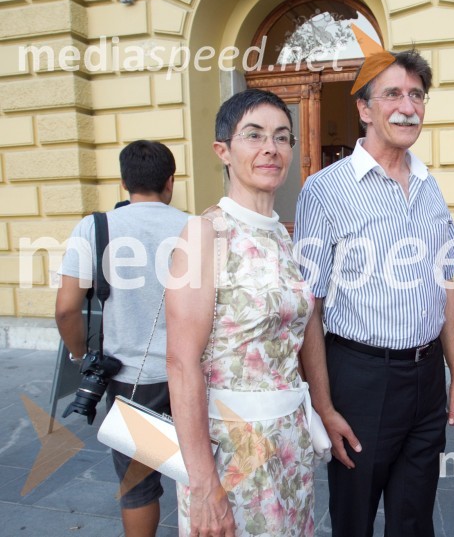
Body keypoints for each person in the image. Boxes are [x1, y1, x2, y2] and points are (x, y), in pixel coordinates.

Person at [293, 49, 454, 537]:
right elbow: (310, 305)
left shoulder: (429, 185)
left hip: (427, 380)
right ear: (365, 109)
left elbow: (445, 284)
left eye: (416, 95)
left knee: (415, 520)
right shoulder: (324, 190)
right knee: (353, 519)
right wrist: (324, 406)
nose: (407, 106)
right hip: (360, 381)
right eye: (392, 93)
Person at [166, 89, 316, 537]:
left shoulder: (283, 236)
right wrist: (204, 483)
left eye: (282, 137)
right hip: (232, 450)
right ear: (223, 151)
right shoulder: (205, 233)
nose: (271, 147)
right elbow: (180, 362)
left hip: (289, 440)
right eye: (254, 135)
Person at [55, 140, 188, 537]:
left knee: (138, 486)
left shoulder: (96, 227)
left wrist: (82, 356)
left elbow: (66, 309)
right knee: (199, 475)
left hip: (130, 380)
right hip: (193, 377)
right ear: (170, 182)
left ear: (124, 182)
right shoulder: (196, 226)